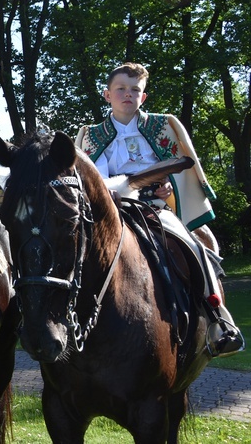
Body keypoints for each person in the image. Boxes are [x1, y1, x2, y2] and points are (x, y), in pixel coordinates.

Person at [76, 62, 244, 357]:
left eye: (134, 90)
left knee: (195, 244)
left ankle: (219, 321)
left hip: (156, 208)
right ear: (107, 94)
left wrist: (170, 190)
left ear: (143, 97)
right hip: (109, 210)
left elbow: (181, 170)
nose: (127, 94)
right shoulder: (89, 136)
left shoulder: (163, 126)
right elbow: (87, 181)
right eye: (121, 89)